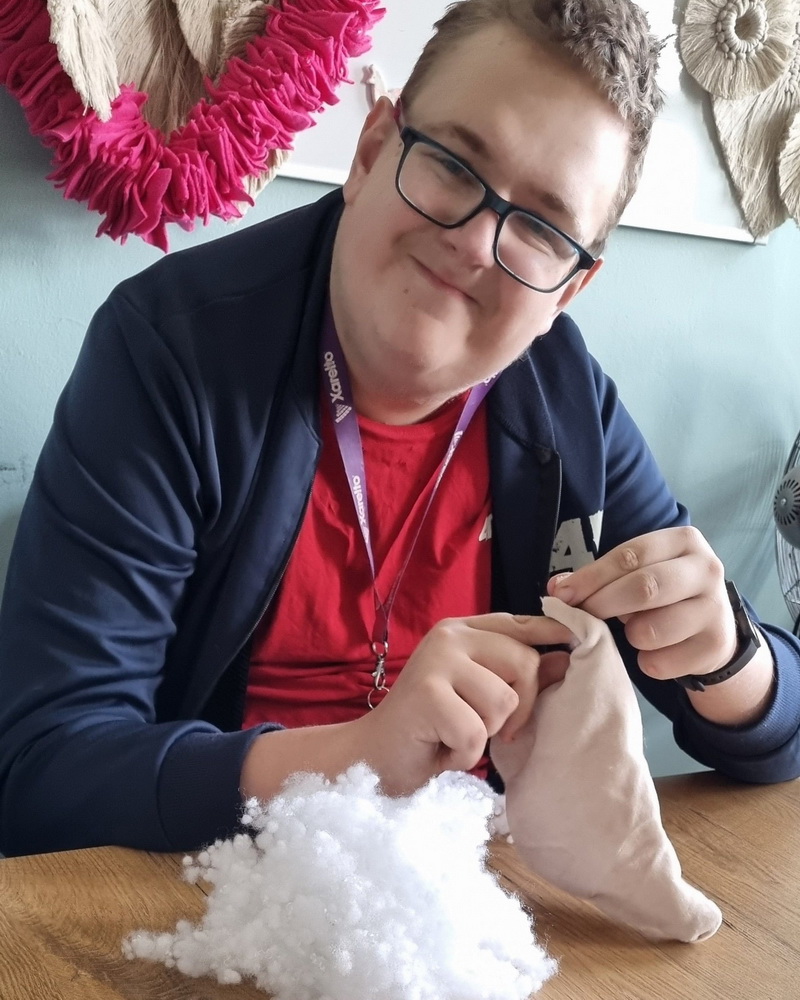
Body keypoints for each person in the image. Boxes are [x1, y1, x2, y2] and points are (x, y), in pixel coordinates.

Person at [1, 0, 798, 859]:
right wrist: (359, 757)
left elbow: (776, 738)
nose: (476, 243)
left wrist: (726, 653)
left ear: (570, 290)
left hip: (472, 896)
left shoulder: (569, 406)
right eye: (454, 164)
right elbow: (44, 776)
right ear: (372, 150)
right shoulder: (169, 352)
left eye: (540, 227)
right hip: (214, 889)